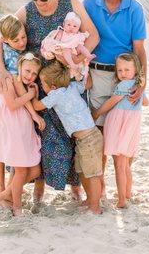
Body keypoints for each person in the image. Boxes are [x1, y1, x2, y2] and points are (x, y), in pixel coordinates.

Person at [0, 0, 99, 201]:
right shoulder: (28, 11)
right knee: (41, 140)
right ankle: (37, 191)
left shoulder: (70, 2)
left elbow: (93, 36)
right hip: (39, 87)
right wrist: (1, 70)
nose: (39, 2)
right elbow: (2, 39)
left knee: (71, 137)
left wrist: (76, 60)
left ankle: (75, 189)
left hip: (67, 85)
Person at [83, 0, 147, 194]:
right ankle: (100, 189)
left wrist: (142, 81)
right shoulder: (88, 4)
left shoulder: (135, 8)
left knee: (124, 134)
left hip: (127, 76)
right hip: (97, 76)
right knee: (99, 134)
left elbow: (140, 49)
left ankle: (123, 186)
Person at [32, 61, 103, 214]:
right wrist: (84, 70)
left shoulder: (55, 95)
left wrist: (34, 93)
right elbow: (88, 85)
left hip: (89, 138)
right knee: (81, 170)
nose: (43, 86)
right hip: (83, 139)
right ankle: (90, 199)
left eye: (43, 83)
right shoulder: (71, 87)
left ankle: (96, 207)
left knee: (93, 174)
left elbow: (37, 106)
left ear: (52, 86)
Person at [0, 15, 44, 202]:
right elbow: (21, 95)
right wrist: (34, 111)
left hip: (14, 108)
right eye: (16, 40)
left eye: (24, 37)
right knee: (0, 150)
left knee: (9, 150)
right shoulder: (13, 61)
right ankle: (3, 192)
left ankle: (9, 191)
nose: (22, 42)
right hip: (4, 107)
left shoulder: (13, 48)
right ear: (7, 40)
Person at [92, 53, 149, 208]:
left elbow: (112, 101)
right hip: (131, 125)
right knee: (124, 164)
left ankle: (122, 200)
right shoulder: (137, 86)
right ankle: (127, 193)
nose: (123, 74)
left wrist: (97, 113)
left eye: (127, 70)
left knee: (119, 164)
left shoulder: (124, 85)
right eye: (120, 70)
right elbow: (146, 102)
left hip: (119, 124)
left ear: (136, 70)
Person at [0, 52, 45, 216]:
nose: (30, 76)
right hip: (13, 130)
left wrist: (35, 116)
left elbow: (28, 104)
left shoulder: (21, 84)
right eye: (27, 71)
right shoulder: (9, 81)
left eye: (34, 73)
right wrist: (30, 95)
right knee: (22, 171)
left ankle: (7, 193)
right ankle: (17, 207)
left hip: (25, 129)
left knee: (35, 170)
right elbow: (12, 104)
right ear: (20, 67)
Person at [41, 11, 95, 77]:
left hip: (75, 50)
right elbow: (56, 42)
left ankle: (88, 55)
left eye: (75, 26)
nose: (71, 27)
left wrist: (83, 37)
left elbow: (81, 40)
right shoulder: (61, 32)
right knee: (66, 50)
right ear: (64, 24)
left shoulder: (77, 35)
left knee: (80, 46)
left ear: (78, 28)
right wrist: (58, 45)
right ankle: (72, 64)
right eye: (68, 25)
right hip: (65, 49)